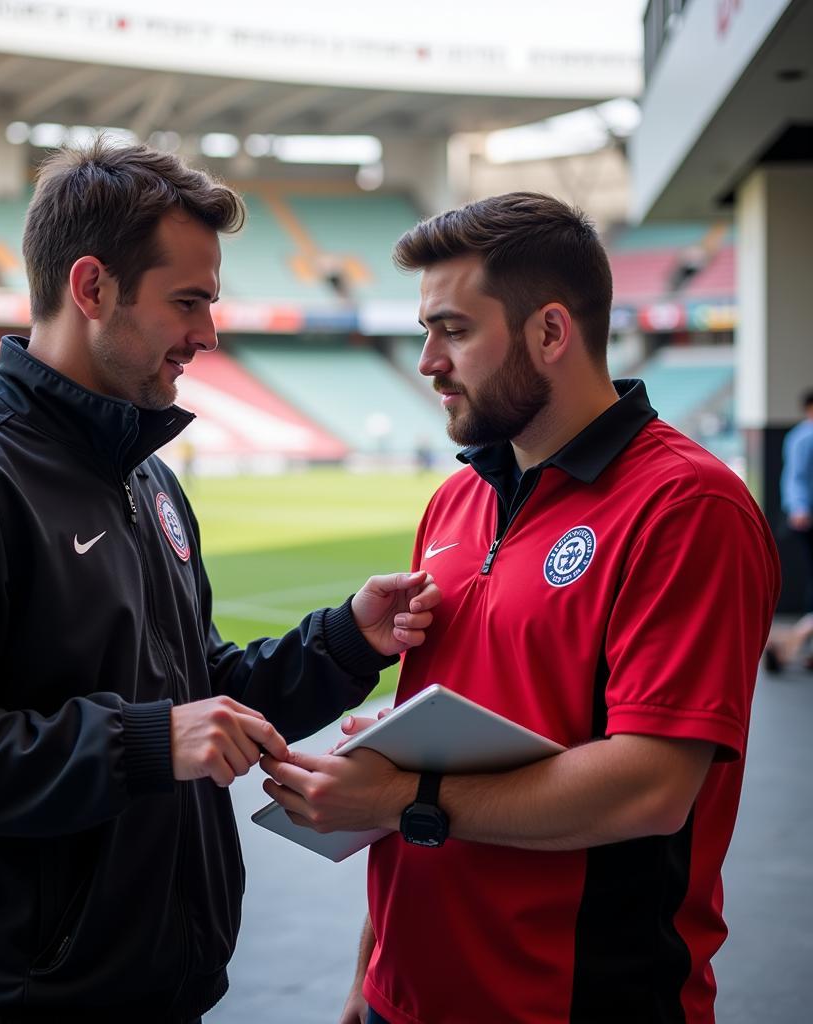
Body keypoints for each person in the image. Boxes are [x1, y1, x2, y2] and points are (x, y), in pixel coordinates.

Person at [0, 139, 440, 1024]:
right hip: (11, 1002)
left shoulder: (147, 477)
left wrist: (346, 637)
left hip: (157, 988)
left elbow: (203, 697)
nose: (207, 333)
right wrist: (145, 741)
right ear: (91, 288)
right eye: (188, 301)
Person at [259, 193, 781, 1024]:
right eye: (427, 330)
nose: (427, 360)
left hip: (578, 1001)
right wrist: (374, 967)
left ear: (549, 332)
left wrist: (399, 799)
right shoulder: (454, 502)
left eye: (455, 331)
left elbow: (650, 788)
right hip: (411, 997)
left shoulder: (686, 506)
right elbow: (430, 746)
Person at [764, 389, 813, 671]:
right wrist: (800, 509)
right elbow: (796, 477)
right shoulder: (804, 436)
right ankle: (792, 644)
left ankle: (794, 642)